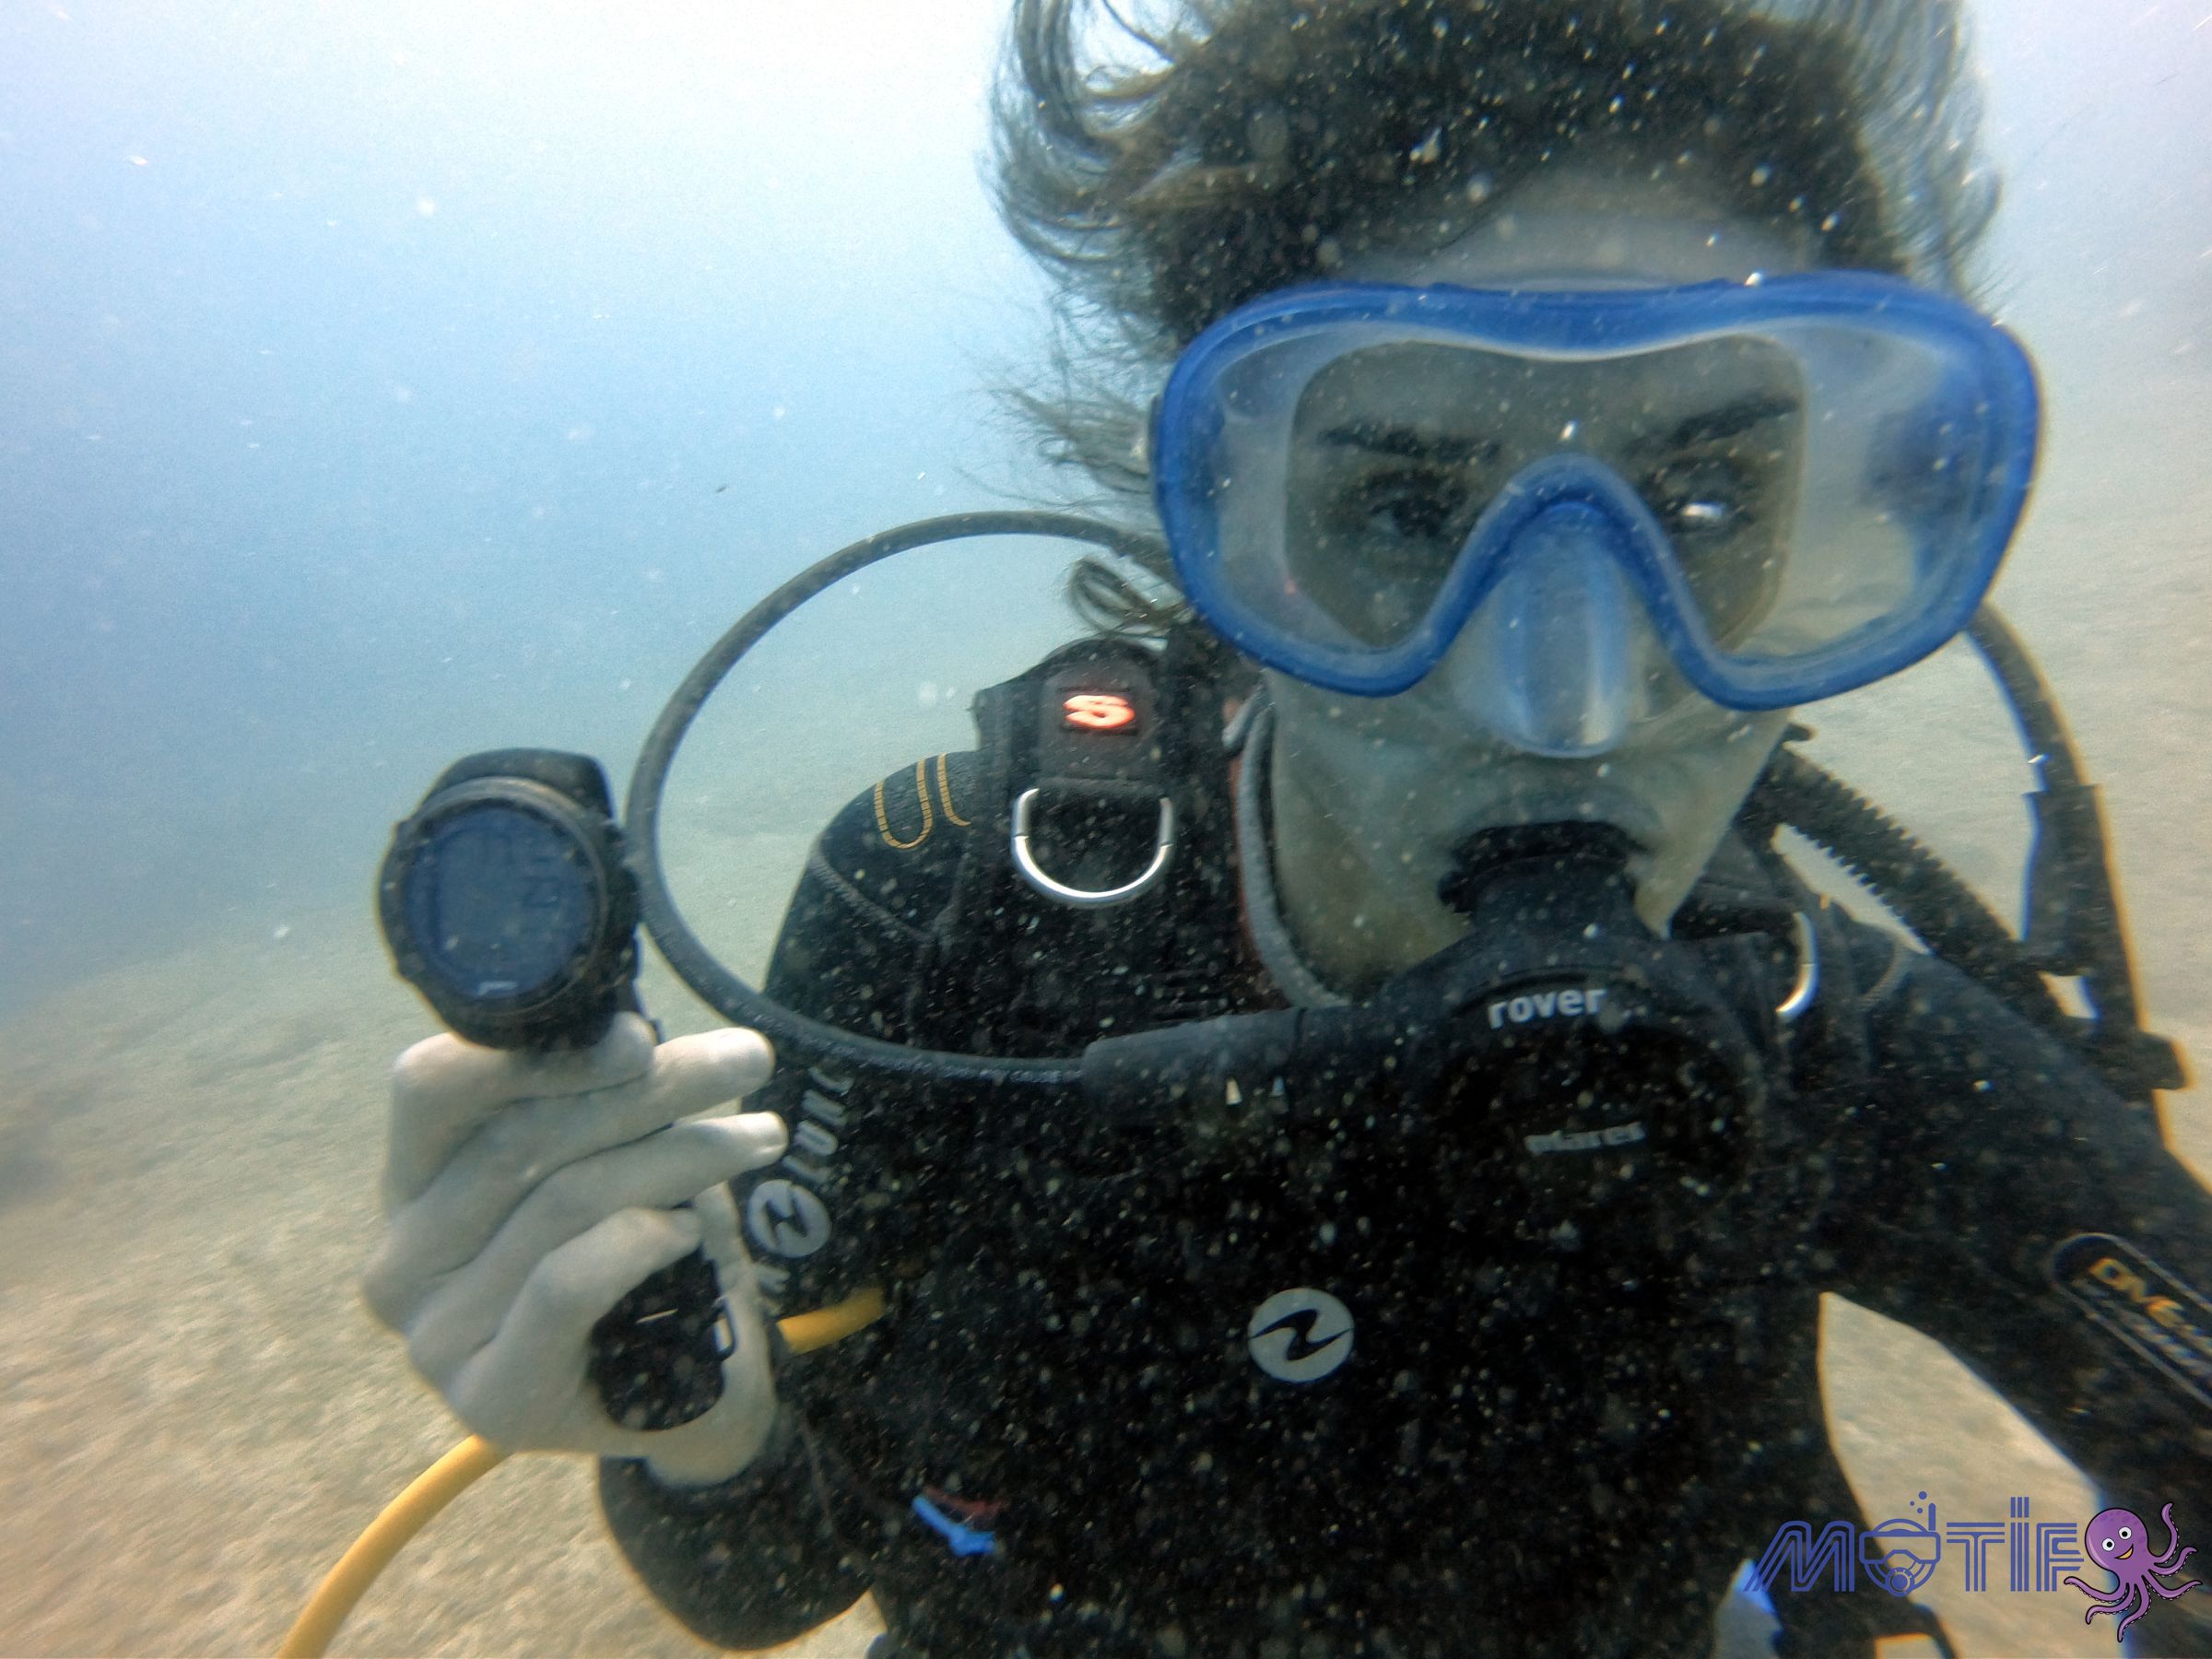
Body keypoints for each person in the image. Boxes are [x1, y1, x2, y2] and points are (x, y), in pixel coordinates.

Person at [360, 1, 2212, 1653]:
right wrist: (688, 1418)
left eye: (1713, 499)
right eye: (1403, 505)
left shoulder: (1799, 1026)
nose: (1565, 704)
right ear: (1225, 535)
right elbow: (763, 1579)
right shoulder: (951, 923)